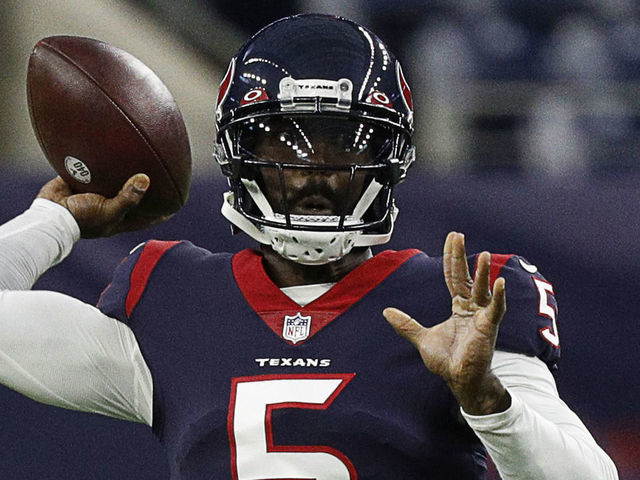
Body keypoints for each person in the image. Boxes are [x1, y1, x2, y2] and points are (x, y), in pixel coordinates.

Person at [0, 14, 618, 480]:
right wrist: (56, 220)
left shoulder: (453, 304)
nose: (313, 173)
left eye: (342, 146)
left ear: (388, 158)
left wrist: (488, 401)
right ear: (239, 158)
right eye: (281, 144)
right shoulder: (172, 298)